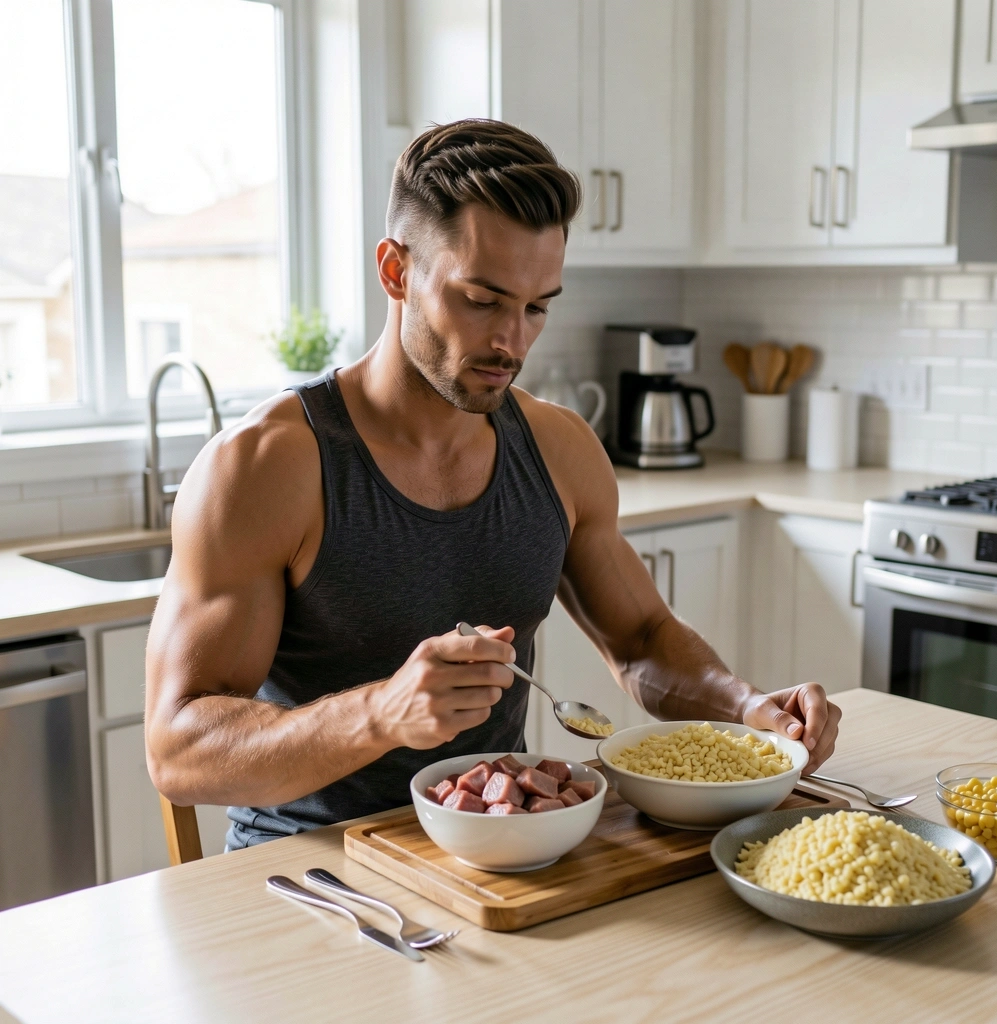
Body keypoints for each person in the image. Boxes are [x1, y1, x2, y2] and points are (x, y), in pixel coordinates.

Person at [145, 119, 841, 850]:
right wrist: (381, 713)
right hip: (309, 876)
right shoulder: (266, 465)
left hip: (506, 856)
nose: (512, 342)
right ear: (396, 271)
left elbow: (640, 640)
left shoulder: (559, 449)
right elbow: (178, 750)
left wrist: (749, 706)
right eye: (482, 300)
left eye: (537, 306)